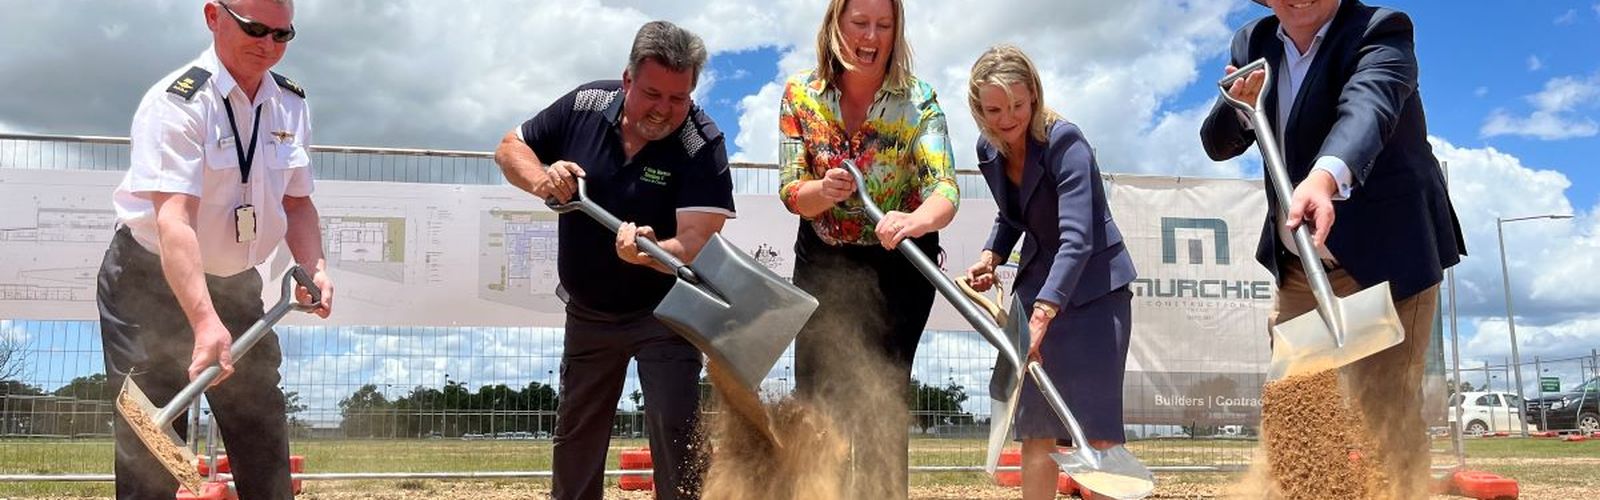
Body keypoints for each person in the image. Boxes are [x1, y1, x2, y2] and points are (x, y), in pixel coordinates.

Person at [1200, 1, 1465, 498]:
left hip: (1388, 254)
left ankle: (1398, 492)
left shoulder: (1380, 29)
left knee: (1384, 404)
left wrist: (1324, 178)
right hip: (1301, 263)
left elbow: (1370, 107)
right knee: (1295, 406)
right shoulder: (1252, 43)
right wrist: (1238, 108)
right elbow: (1218, 142)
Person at [97, 1, 333, 498]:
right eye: (255, 30)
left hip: (235, 282)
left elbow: (298, 201)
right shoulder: (177, 102)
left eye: (282, 35)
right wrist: (205, 322)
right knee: (153, 437)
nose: (269, 46)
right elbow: (173, 220)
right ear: (213, 16)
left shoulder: (290, 103)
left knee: (259, 418)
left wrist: (313, 267)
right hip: (149, 280)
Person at [492, 20, 733, 500]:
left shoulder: (701, 142)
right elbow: (508, 148)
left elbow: (696, 242)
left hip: (667, 313)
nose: (664, 110)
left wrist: (651, 252)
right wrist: (543, 179)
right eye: (652, 94)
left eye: (677, 98)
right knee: (577, 436)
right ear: (627, 80)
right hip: (589, 310)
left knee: (677, 433)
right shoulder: (584, 104)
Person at [776, 0, 958, 496]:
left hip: (899, 264)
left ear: (897, 31)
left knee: (882, 396)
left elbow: (945, 187)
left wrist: (913, 220)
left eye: (884, 25)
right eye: (860, 23)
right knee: (818, 398)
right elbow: (793, 189)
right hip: (824, 261)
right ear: (836, 25)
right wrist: (823, 191)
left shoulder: (918, 99)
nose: (871, 36)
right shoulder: (799, 95)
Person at [963, 44, 1138, 500]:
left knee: (1095, 429)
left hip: (1096, 294)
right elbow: (1012, 215)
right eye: (994, 109)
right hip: (1040, 284)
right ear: (978, 107)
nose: (1007, 118)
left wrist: (1041, 315)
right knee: (1036, 425)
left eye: (1018, 105)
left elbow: (1077, 238)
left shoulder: (1065, 141)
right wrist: (991, 255)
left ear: (1034, 96)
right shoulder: (989, 149)